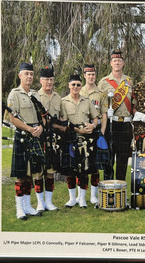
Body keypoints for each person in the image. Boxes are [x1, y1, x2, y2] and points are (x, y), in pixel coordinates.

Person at [7, 62, 45, 220]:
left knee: (31, 173)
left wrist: (41, 127)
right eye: (26, 73)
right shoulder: (14, 94)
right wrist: (30, 129)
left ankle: (28, 206)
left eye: (31, 74)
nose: (29, 76)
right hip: (23, 137)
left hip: (35, 135)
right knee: (21, 175)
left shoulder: (35, 94)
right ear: (20, 75)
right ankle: (19, 208)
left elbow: (42, 116)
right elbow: (12, 118)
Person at [60, 73, 99, 208]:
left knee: (84, 170)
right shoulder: (63, 102)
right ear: (69, 85)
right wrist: (77, 130)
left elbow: (95, 117)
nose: (75, 87)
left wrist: (93, 125)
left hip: (86, 140)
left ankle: (81, 199)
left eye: (78, 85)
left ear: (81, 86)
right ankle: (72, 199)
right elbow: (63, 122)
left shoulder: (86, 101)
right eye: (73, 85)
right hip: (70, 139)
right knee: (71, 171)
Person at [98, 50, 133, 181]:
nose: (117, 63)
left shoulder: (129, 81)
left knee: (123, 159)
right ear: (111, 63)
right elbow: (100, 103)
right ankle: (108, 189)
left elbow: (133, 101)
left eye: (119, 61)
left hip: (125, 124)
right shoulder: (104, 82)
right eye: (114, 61)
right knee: (109, 158)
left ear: (123, 63)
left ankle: (121, 190)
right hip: (111, 124)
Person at [36, 66, 65, 211]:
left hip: (53, 138)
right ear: (41, 80)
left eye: (51, 79)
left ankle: (49, 202)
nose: (49, 82)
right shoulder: (35, 96)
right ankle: (40, 202)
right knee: (38, 171)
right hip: (39, 137)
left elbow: (61, 117)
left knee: (50, 172)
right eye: (46, 79)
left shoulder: (58, 97)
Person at [79, 63, 108, 204]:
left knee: (95, 166)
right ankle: (81, 197)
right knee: (82, 165)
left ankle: (93, 195)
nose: (91, 77)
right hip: (81, 133)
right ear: (84, 76)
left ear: (95, 76)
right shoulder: (79, 90)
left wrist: (101, 133)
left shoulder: (101, 93)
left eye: (93, 74)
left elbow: (104, 114)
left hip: (96, 132)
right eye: (88, 74)